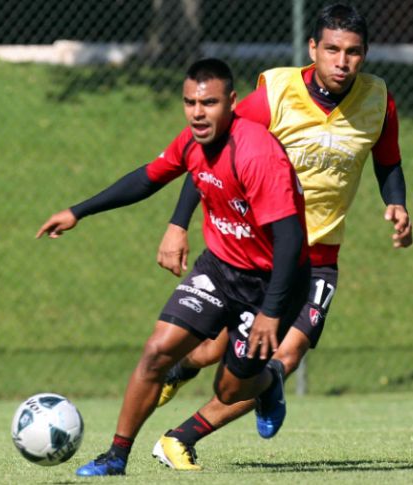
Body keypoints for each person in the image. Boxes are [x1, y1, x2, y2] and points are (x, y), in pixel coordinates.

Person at [151, 3, 413, 470]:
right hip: (260, 251)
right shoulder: (276, 92)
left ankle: (180, 438)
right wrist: (177, 223)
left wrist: (396, 202)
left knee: (281, 357)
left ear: (365, 54)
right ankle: (185, 366)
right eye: (332, 48)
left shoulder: (379, 100)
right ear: (313, 48)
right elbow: (209, 149)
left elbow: (387, 160)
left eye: (353, 52)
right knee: (221, 347)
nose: (342, 61)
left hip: (320, 255)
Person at [35, 58, 311, 477]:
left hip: (273, 282)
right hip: (220, 268)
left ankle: (268, 382)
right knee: (156, 351)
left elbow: (291, 242)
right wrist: (79, 211)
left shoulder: (257, 154)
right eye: (190, 103)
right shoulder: (193, 142)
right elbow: (147, 178)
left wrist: (271, 312)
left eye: (209, 103)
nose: (198, 113)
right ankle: (116, 457)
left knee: (231, 387)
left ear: (232, 102)